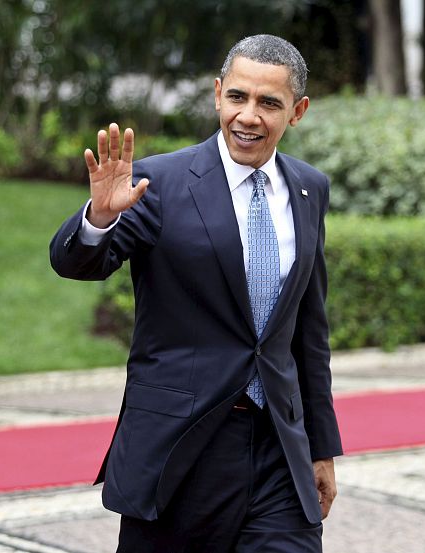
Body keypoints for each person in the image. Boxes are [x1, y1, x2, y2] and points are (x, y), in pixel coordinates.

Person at [50, 34, 341, 552]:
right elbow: (79, 263)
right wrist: (99, 218)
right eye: (238, 97)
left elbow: (308, 333)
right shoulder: (157, 182)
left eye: (268, 103)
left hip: (278, 449)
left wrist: (321, 448)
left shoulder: (309, 188)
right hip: (181, 448)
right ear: (217, 94)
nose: (248, 116)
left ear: (297, 111)